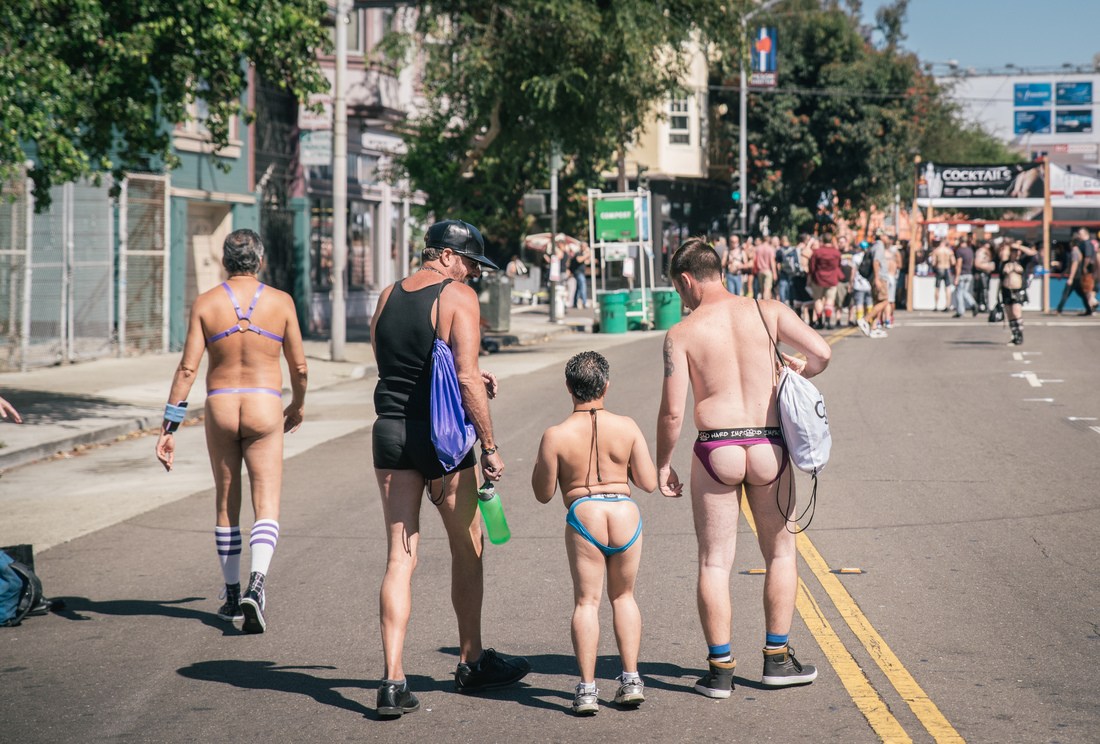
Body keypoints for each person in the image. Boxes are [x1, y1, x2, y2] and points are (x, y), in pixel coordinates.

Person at [656, 237, 830, 698]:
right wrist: (799, 368)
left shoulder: (682, 333)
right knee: (780, 553)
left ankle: (720, 672)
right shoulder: (767, 310)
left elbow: (673, 413)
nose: (681, 297)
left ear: (686, 280)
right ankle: (776, 659)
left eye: (678, 289)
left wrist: (662, 464)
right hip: (769, 444)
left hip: (717, 447)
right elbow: (822, 354)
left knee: (715, 562)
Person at [369, 219, 530, 718]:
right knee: (470, 544)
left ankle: (393, 681)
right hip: (441, 443)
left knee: (401, 557)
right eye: (470, 264)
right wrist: (489, 444)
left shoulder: (386, 295)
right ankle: (472, 660)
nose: (474, 275)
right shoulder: (456, 297)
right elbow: (462, 376)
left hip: (391, 433)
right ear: (444, 255)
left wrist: (463, 376)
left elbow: (397, 365)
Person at [154, 229, 307, 635]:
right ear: (260, 260)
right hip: (263, 404)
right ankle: (257, 586)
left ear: (225, 261)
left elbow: (187, 369)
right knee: (266, 502)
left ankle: (231, 591)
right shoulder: (281, 302)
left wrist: (169, 426)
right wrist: (298, 405)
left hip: (220, 405)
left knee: (226, 502)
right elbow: (300, 368)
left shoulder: (206, 303)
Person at [532, 351, 658, 715]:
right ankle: (631, 679)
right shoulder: (628, 426)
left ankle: (587, 690)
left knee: (587, 602)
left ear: (569, 388)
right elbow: (648, 482)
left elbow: (542, 494)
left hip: (584, 512)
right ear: (606, 385)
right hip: (624, 511)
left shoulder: (555, 434)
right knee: (624, 597)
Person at [998, 240, 1038, 345]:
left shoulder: (1022, 261)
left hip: (1018, 291)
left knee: (1016, 312)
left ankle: (1020, 336)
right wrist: (1008, 247)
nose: (1016, 253)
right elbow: (1001, 254)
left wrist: (1019, 247)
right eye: (1014, 251)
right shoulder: (1005, 262)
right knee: (1010, 314)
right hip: (1006, 290)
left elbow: (1034, 255)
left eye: (1017, 251)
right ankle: (1015, 335)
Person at [857, 232, 891, 338]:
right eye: (887, 236)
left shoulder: (874, 245)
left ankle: (874, 327)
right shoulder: (879, 245)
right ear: (881, 236)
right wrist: (877, 279)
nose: (888, 238)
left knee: (878, 302)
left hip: (876, 277)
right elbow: (876, 262)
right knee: (885, 301)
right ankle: (865, 320)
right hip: (880, 277)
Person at [808, 236, 842, 329]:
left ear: (822, 241)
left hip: (818, 279)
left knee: (818, 299)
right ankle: (828, 321)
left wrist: (811, 277)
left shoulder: (817, 252)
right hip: (832, 279)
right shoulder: (836, 252)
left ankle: (820, 322)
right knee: (830, 300)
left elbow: (812, 267)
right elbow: (839, 265)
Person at [953, 237, 977, 318]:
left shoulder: (960, 251)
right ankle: (973, 303)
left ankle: (960, 311)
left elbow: (958, 264)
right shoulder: (970, 250)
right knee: (965, 292)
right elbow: (972, 262)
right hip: (969, 273)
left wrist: (957, 276)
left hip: (962, 274)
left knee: (959, 292)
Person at [929, 239, 955, 312]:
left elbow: (933, 263)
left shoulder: (936, 251)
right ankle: (947, 305)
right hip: (947, 268)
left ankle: (936, 305)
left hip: (939, 268)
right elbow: (953, 262)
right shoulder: (949, 251)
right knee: (948, 288)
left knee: (937, 288)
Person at [571, 243, 590, 309]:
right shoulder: (578, 253)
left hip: (582, 272)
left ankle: (575, 302)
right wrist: (587, 254)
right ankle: (584, 302)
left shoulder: (583, 254)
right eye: (583, 246)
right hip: (578, 272)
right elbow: (579, 260)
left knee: (578, 288)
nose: (584, 248)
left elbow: (586, 262)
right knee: (583, 286)